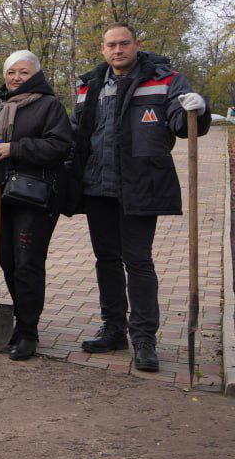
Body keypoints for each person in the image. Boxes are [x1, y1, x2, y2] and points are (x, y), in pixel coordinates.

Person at [68, 24, 211, 371]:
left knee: (139, 262)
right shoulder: (89, 85)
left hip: (139, 185)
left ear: (137, 45)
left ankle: (144, 338)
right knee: (106, 259)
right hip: (97, 186)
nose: (117, 50)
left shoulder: (164, 79)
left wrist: (198, 111)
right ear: (103, 49)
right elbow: (76, 130)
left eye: (124, 44)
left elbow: (181, 122)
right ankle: (113, 328)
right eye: (111, 45)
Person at [0, 51, 73, 361]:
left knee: (27, 263)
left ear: (35, 75)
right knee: (7, 261)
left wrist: (14, 148)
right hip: (4, 198)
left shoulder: (49, 106)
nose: (16, 78)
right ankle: (22, 322)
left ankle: (28, 332)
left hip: (36, 198)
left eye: (23, 72)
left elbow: (60, 145)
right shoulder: (1, 109)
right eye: (11, 72)